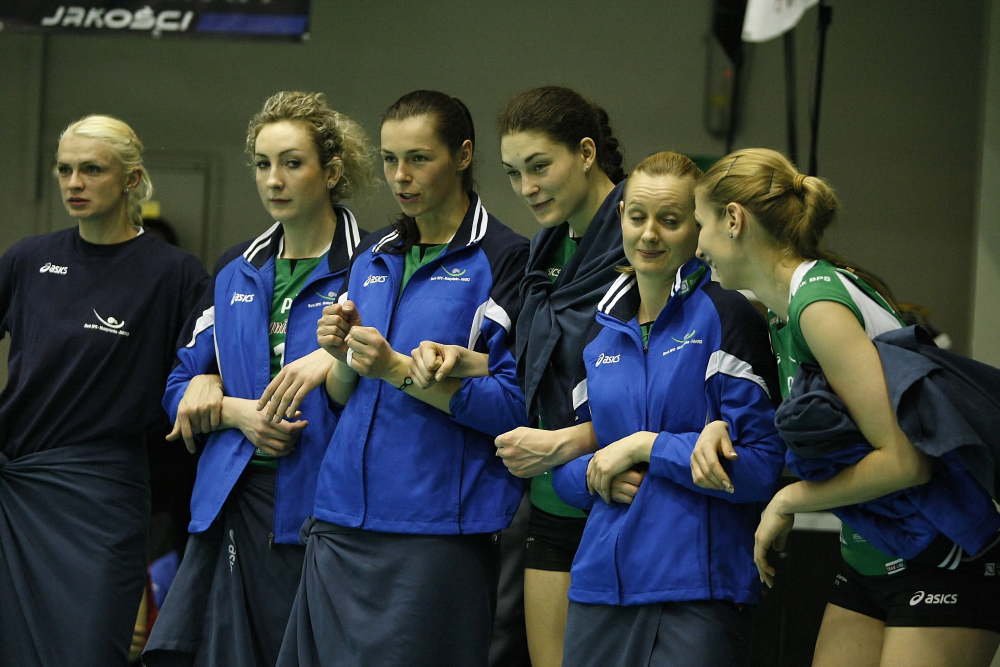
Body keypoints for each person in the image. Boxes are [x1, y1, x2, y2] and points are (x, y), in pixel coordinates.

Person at [694, 148, 1000, 666]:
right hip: (869, 555)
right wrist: (719, 428)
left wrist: (788, 501)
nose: (698, 245)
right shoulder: (781, 314)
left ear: (733, 219)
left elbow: (905, 461)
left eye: (700, 224)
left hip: (942, 553)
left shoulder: (817, 306)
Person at [275, 90, 529, 667]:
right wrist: (341, 356)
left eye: (418, 158)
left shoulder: (505, 258)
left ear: (463, 155)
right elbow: (341, 398)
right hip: (340, 519)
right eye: (390, 159)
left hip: (436, 530)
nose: (399, 176)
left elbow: (512, 406)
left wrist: (394, 369)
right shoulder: (373, 255)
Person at [143, 91, 376, 667]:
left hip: (330, 502)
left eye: (292, 163)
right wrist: (228, 408)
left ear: (332, 172)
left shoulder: (374, 265)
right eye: (262, 164)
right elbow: (178, 386)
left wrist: (335, 361)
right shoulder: (236, 268)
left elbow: (390, 381)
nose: (274, 179)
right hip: (234, 498)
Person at [547, 151, 784, 666]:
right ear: (620, 218)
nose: (650, 234)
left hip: (696, 593)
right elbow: (564, 474)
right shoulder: (598, 332)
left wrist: (649, 448)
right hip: (599, 590)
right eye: (638, 217)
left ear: (698, 227)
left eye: (670, 220)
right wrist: (594, 475)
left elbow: (762, 467)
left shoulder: (728, 315)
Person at [0, 115, 208, 667]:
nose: (74, 183)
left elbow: (206, 360)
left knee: (90, 647)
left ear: (131, 179)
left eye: (91, 169)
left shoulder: (175, 274)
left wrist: (207, 377)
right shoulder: (27, 260)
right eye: (65, 169)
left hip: (103, 491)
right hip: (18, 487)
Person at [494, 85, 628, 667]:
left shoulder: (645, 241)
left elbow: (665, 391)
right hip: (550, 500)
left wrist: (568, 442)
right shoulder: (545, 249)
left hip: (625, 497)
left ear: (587, 153)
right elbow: (536, 365)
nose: (526, 187)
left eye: (539, 166)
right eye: (513, 173)